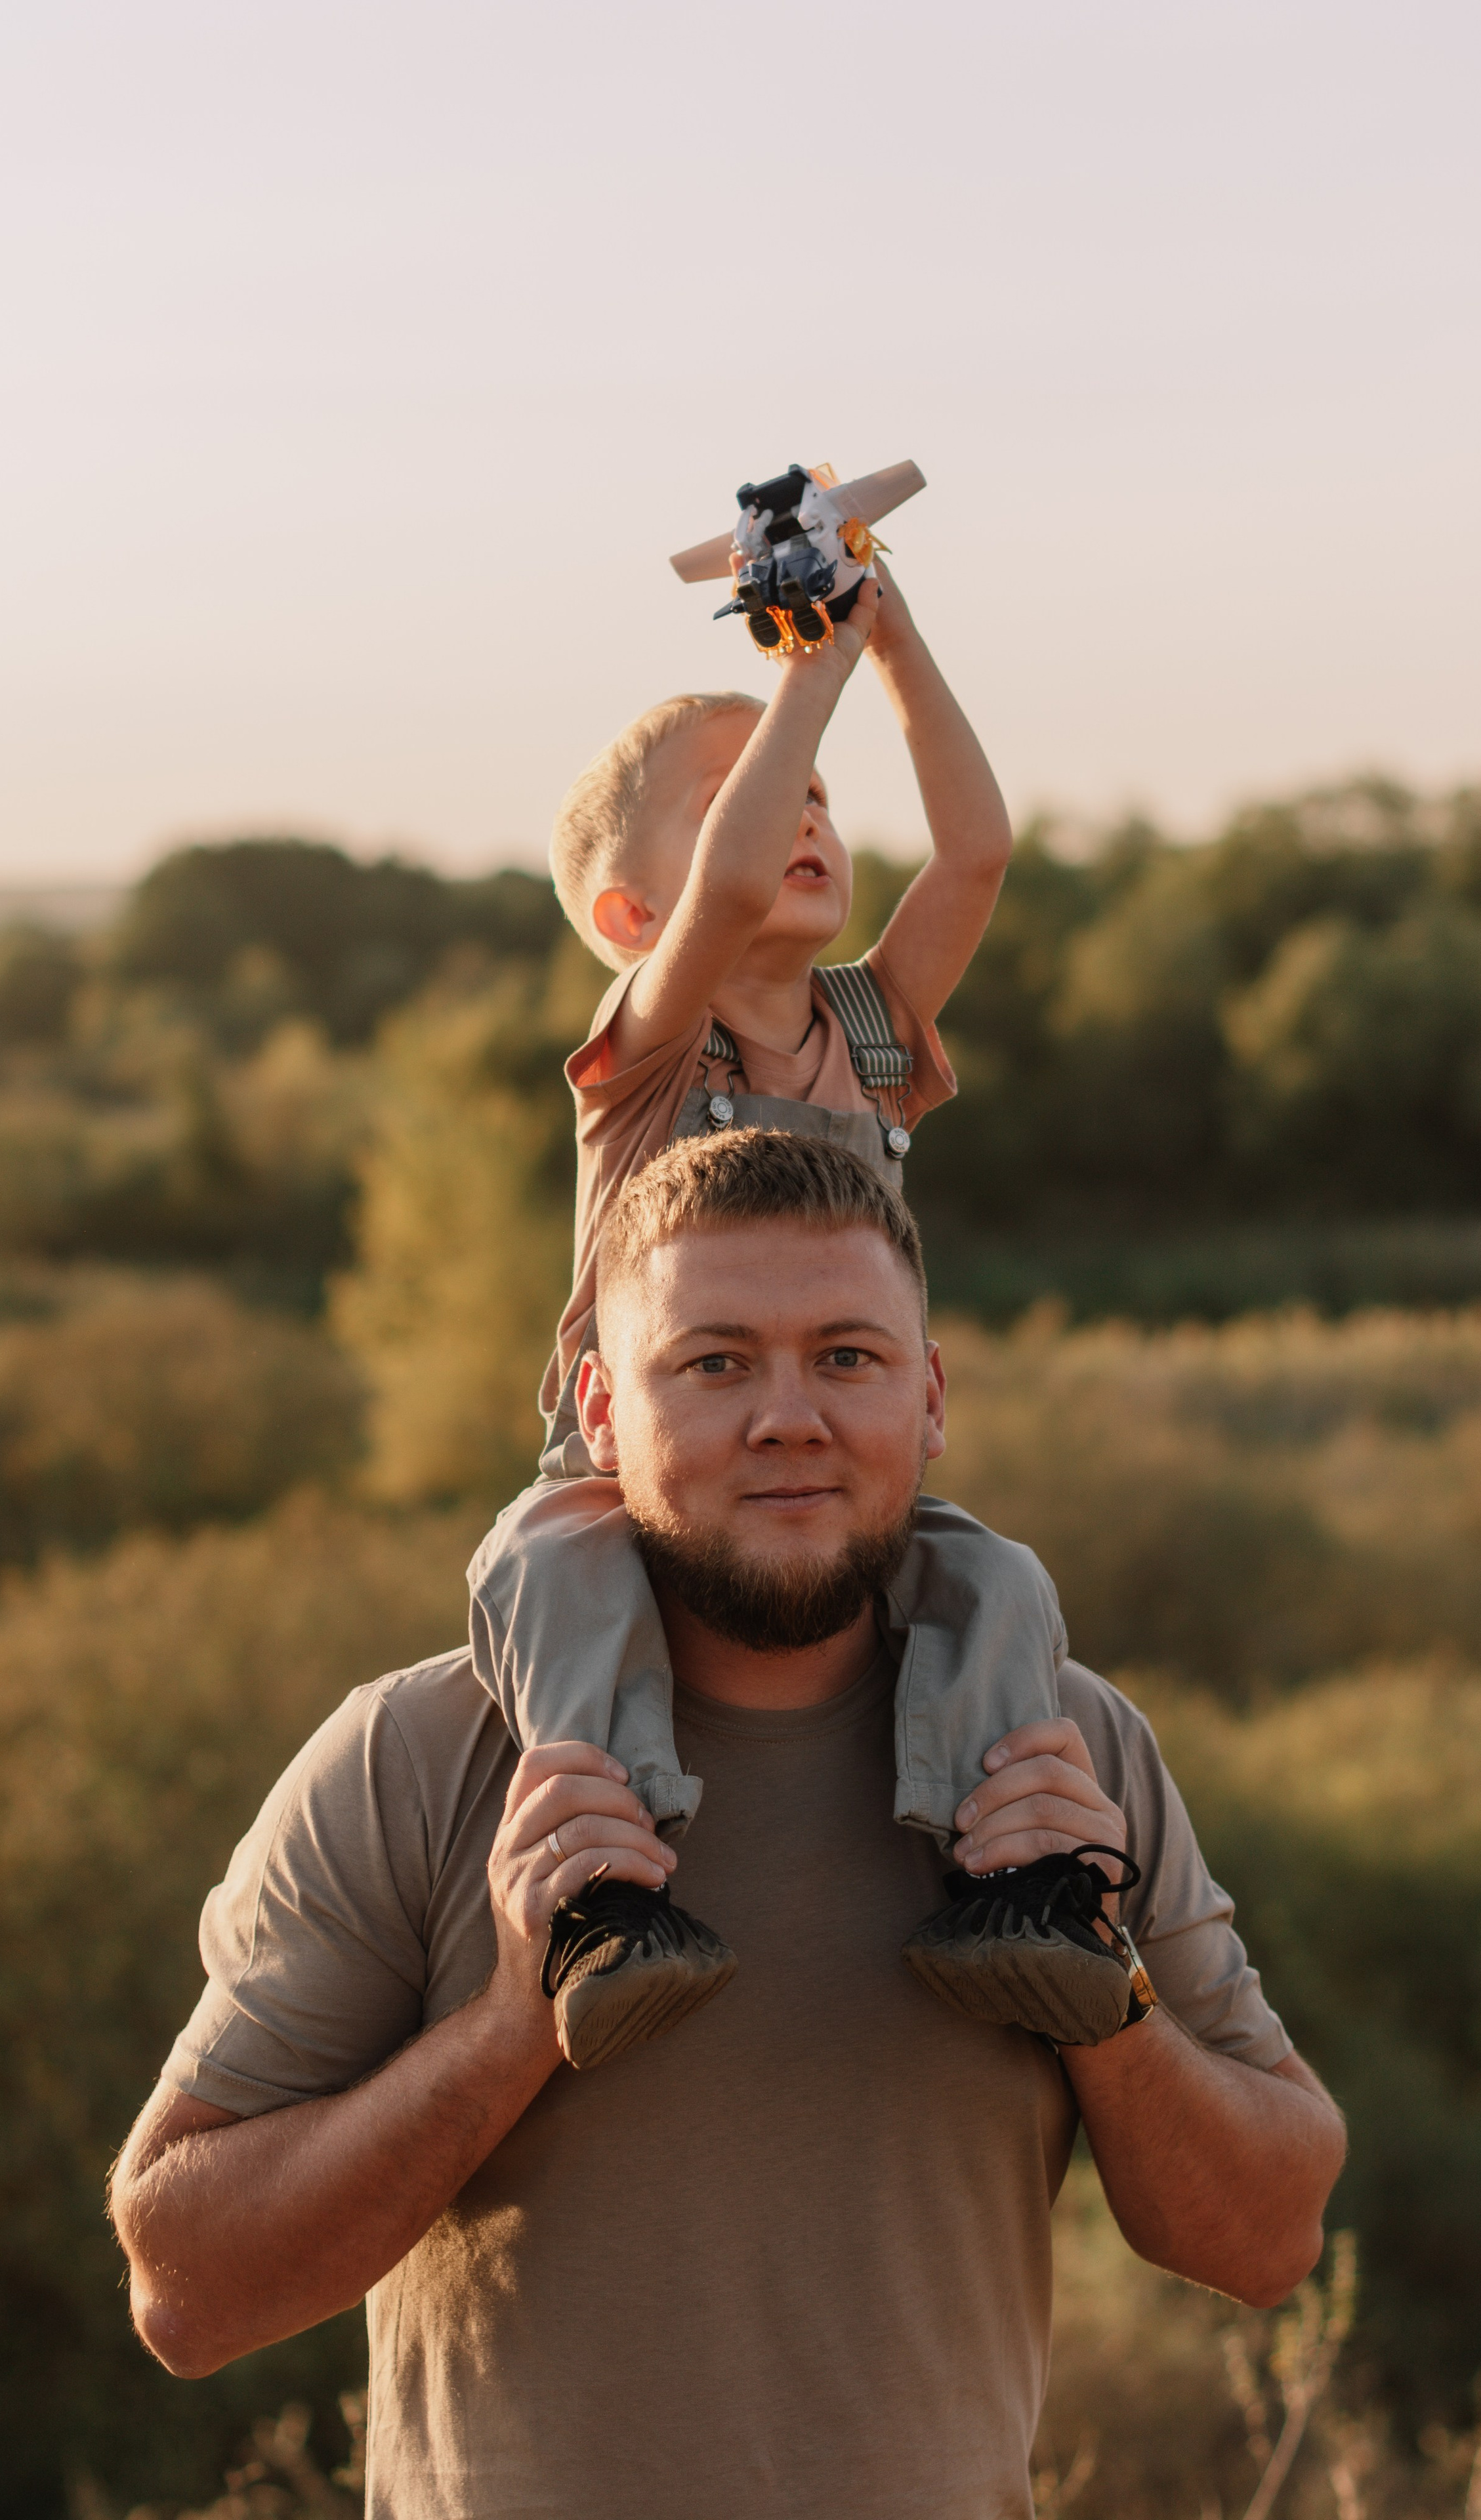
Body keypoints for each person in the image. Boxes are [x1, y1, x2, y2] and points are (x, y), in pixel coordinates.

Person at [111, 1131, 1347, 2520]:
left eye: (847, 1358)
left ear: (930, 1398)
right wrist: (515, 2021)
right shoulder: (418, 1758)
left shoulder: (1070, 1753)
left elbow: (1268, 2241)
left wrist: (1109, 2007)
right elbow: (187, 2294)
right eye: (714, 1364)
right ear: (598, 1408)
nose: (788, 1419)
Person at [469, 556, 1093, 2068]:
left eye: (816, 792)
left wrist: (887, 639)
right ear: (630, 912)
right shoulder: (650, 1044)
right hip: (632, 1468)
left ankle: (1008, 1883)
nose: (802, 811)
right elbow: (733, 889)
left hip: (830, 1460)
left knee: (998, 1587)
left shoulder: (869, 1034)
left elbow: (976, 850)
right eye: (751, 792)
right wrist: (803, 674)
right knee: (545, 1572)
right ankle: (611, 1901)